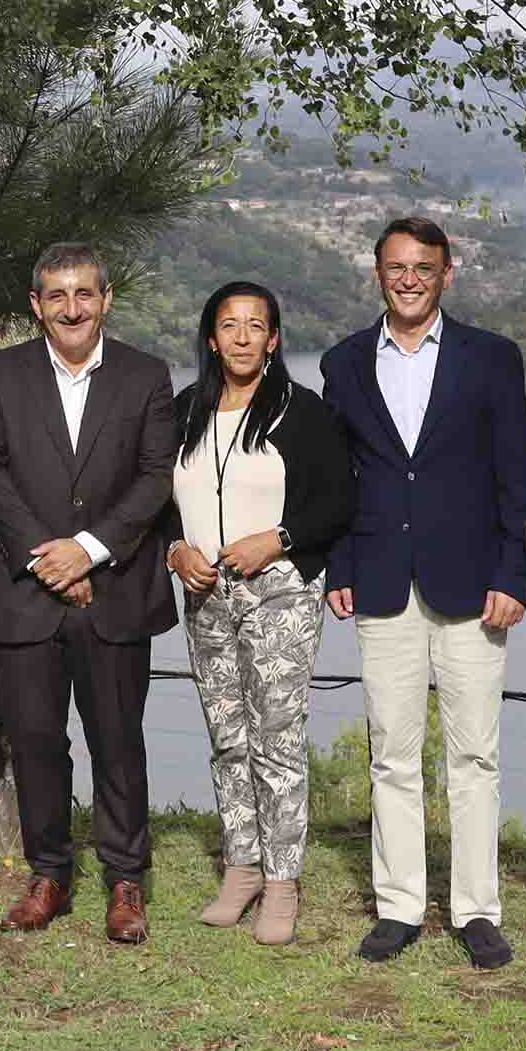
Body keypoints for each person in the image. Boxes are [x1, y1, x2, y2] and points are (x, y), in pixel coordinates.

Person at [318, 216, 526, 968]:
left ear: (448, 272)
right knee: (391, 753)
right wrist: (340, 566)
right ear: (378, 273)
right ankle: (400, 906)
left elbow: (517, 474)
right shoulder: (344, 362)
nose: (409, 280)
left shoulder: (492, 358)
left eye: (423, 267)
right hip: (381, 582)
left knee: (474, 754)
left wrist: (513, 574)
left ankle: (476, 909)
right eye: (396, 267)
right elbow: (338, 478)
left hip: (475, 585)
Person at [0, 244, 177, 943]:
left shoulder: (146, 376)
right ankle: (49, 875)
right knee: (35, 740)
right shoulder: (1, 375)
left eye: (84, 293)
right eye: (56, 295)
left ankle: (124, 879)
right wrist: (49, 558)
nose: (71, 308)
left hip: (113, 591)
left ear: (106, 298)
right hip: (26, 592)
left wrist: (87, 550)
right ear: (36, 304)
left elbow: (155, 477)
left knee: (117, 740)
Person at [161, 281, 354, 946]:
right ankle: (240, 868)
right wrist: (175, 549)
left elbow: (337, 499)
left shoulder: (302, 412)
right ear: (211, 339)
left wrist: (278, 539)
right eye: (228, 325)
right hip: (205, 596)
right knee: (227, 738)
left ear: (273, 339)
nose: (241, 336)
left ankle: (281, 882)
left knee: (276, 742)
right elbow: (160, 498)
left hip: (279, 593)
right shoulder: (186, 410)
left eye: (255, 325)